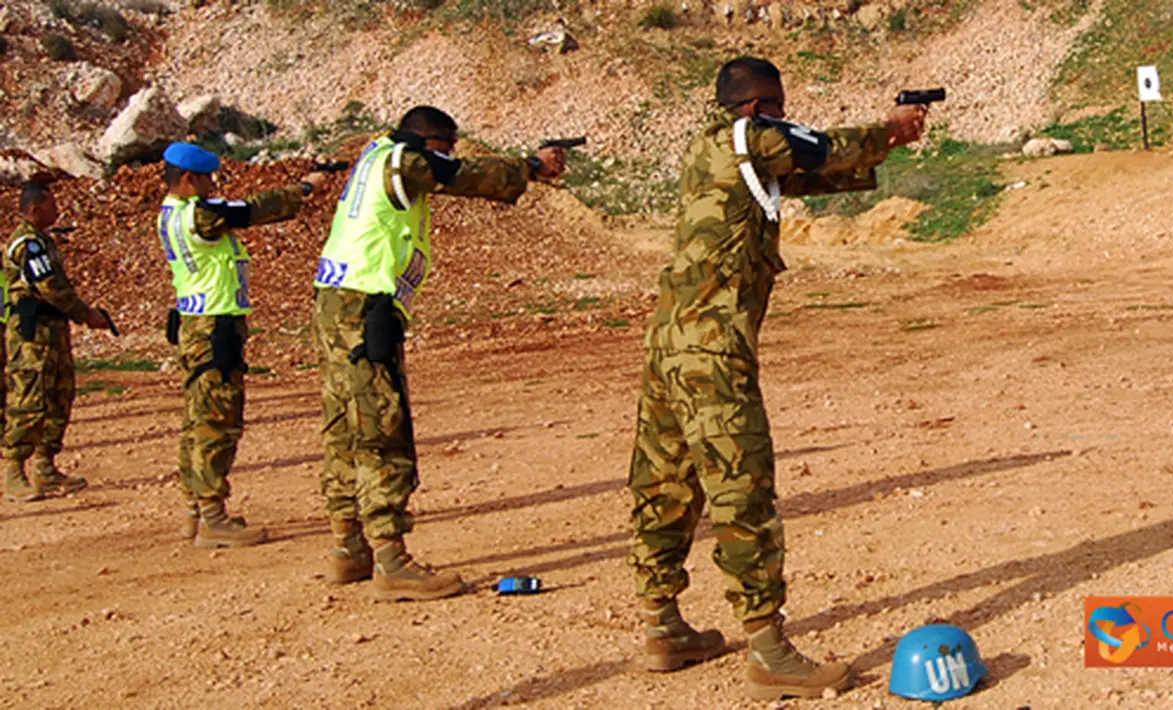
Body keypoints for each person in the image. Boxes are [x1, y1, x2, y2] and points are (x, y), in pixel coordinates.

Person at [626, 57, 927, 699]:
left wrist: (878, 150)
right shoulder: (746, 136)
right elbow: (816, 148)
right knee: (742, 489)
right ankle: (767, 650)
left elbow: (816, 169)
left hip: (672, 341)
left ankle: (662, 625)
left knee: (666, 481)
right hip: (711, 350)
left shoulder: (726, 149)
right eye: (780, 107)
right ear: (762, 107)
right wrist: (890, 129)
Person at [312, 105, 565, 601]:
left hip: (339, 302)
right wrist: (531, 168)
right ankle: (390, 560)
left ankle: (349, 547)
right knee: (381, 428)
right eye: (446, 146)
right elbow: (458, 176)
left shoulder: (376, 156)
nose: (449, 155)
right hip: (366, 307)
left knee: (346, 426)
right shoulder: (403, 159)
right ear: (428, 142)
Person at [157, 143, 325, 547]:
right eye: (207, 178)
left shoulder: (172, 213)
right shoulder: (201, 214)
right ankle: (213, 516)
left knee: (197, 421)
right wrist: (302, 189)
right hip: (215, 326)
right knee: (217, 422)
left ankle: (194, 510)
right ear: (188, 180)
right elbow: (252, 210)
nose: (213, 184)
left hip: (198, 323)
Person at [3, 182, 112, 502]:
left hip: (53, 331)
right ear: (34, 208)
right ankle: (13, 470)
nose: (57, 209)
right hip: (31, 334)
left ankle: (45, 466)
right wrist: (85, 314)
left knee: (59, 395)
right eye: (51, 204)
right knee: (30, 398)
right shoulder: (28, 245)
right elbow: (50, 286)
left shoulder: (44, 241)